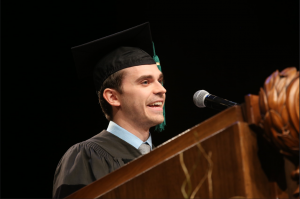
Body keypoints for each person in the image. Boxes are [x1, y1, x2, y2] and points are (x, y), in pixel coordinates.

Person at [52, 23, 166, 198]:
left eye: (160, 80)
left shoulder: (169, 156)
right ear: (113, 97)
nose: (161, 90)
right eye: (145, 82)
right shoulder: (86, 157)